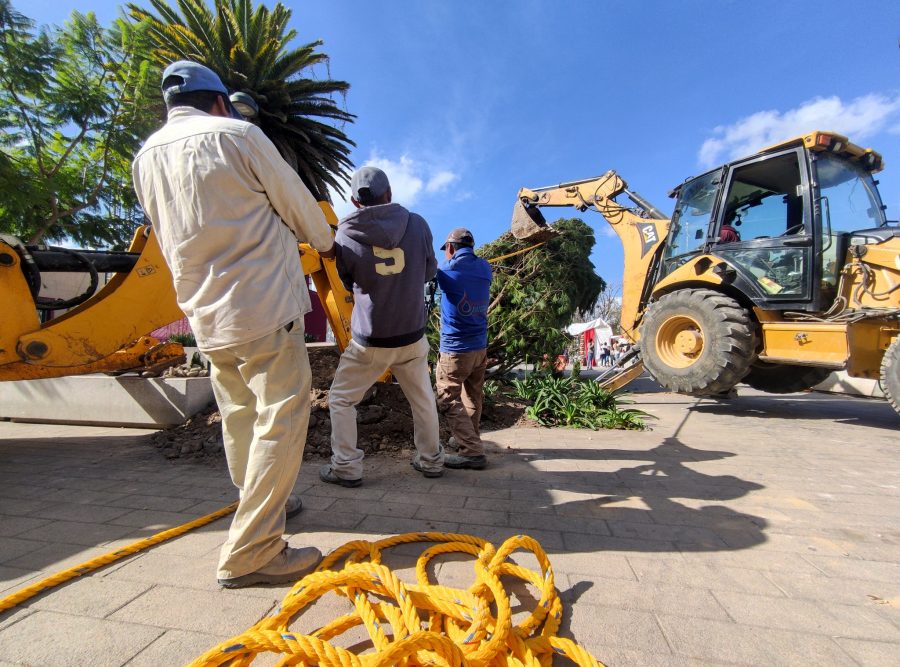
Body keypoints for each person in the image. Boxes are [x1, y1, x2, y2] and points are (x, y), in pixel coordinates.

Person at [132, 61, 335, 588]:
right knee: (282, 415)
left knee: (240, 417)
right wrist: (327, 241)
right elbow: (301, 210)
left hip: (205, 314)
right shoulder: (240, 134)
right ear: (219, 100)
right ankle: (254, 550)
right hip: (263, 305)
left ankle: (265, 509)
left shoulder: (145, 157)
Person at [320, 166, 444, 487]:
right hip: (412, 335)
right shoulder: (417, 224)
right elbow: (430, 271)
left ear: (354, 201)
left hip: (369, 341)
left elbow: (347, 281)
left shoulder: (345, 234)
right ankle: (430, 460)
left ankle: (346, 467)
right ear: (389, 193)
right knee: (423, 400)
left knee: (342, 399)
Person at [434, 227, 493, 470]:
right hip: (479, 348)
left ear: (450, 248)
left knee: (446, 398)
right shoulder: (486, 268)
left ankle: (471, 451)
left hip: (456, 350)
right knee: (472, 395)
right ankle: (469, 438)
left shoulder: (448, 271)